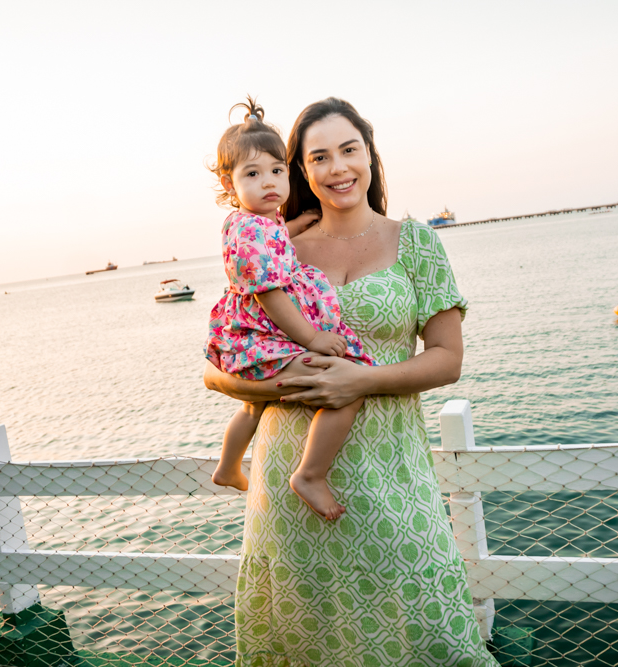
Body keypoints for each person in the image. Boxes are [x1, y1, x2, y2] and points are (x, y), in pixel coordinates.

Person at [204, 97, 497, 666]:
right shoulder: (275, 243)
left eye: (349, 150)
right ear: (301, 171)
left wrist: (358, 381)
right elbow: (218, 366)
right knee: (305, 636)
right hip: (288, 470)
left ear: (369, 154)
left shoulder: (415, 242)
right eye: (319, 157)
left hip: (392, 468)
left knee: (422, 627)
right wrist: (288, 389)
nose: (337, 168)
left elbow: (446, 359)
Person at [206, 98, 374, 521]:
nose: (269, 183)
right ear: (229, 185)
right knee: (344, 386)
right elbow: (271, 295)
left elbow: (277, 234)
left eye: (277, 171)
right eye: (253, 174)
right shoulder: (247, 230)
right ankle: (310, 474)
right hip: (267, 331)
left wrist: (299, 225)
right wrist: (313, 338)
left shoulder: (260, 223)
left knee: (251, 406)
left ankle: (227, 468)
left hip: (252, 335)